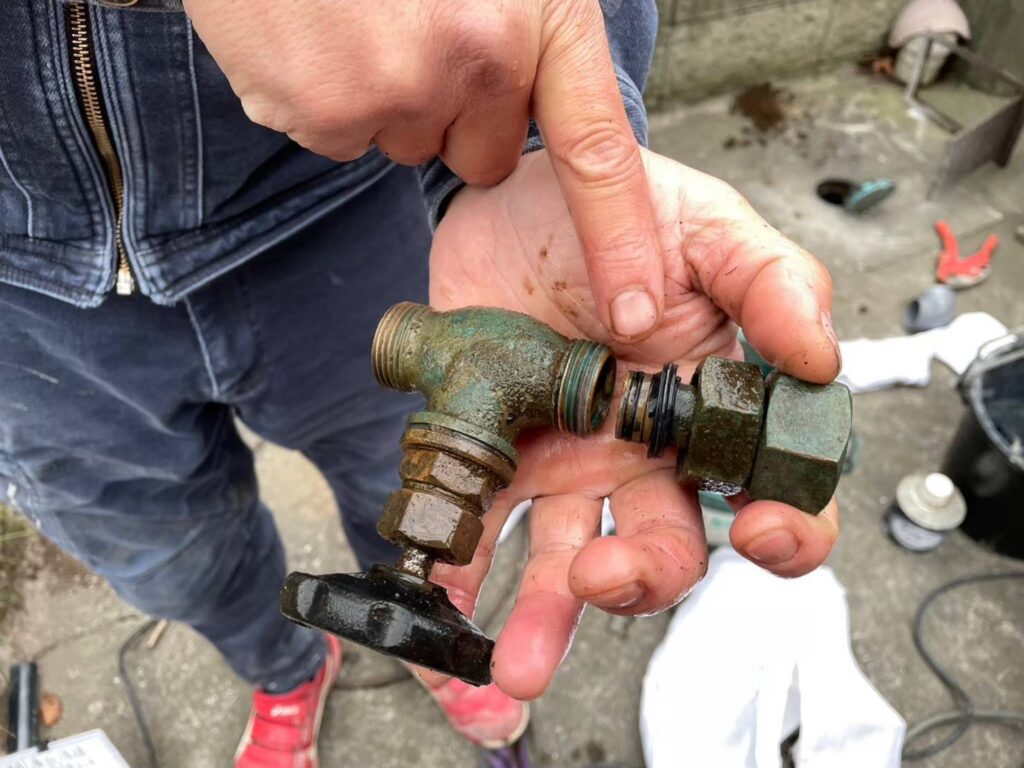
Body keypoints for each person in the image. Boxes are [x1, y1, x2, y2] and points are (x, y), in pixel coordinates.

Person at [0, 1, 842, 766]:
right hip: (27, 294)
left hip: (329, 202)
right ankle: (283, 668)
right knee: (165, 554)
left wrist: (530, 144)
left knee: (382, 470)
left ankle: (414, 633)